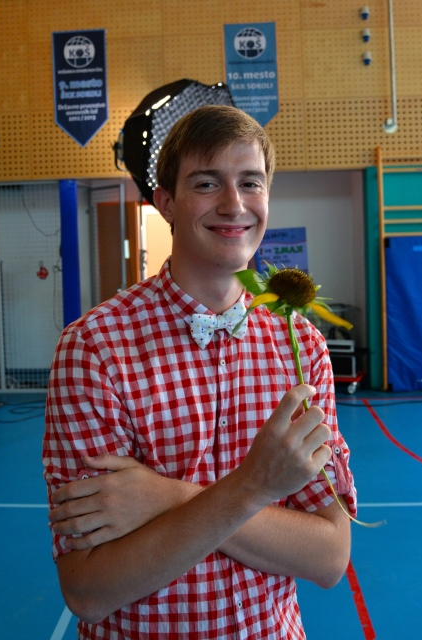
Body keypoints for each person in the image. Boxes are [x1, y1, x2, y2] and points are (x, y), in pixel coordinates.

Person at [43, 105, 357, 640]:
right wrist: (253, 488)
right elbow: (90, 590)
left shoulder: (300, 345)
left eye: (250, 182)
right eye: (207, 183)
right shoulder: (95, 348)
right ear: (165, 201)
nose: (234, 204)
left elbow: (329, 556)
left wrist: (168, 497)